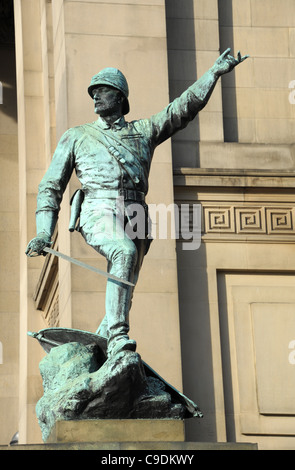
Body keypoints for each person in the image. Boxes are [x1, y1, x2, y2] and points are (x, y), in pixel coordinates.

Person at [25, 48, 248, 357]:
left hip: (136, 214)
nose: (95, 97)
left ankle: (101, 343)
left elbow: (182, 109)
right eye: (93, 92)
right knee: (123, 252)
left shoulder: (143, 131)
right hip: (97, 208)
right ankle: (117, 336)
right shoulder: (76, 136)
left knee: (126, 285)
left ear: (120, 97)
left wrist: (214, 73)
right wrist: (43, 232)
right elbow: (50, 186)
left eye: (102, 91)